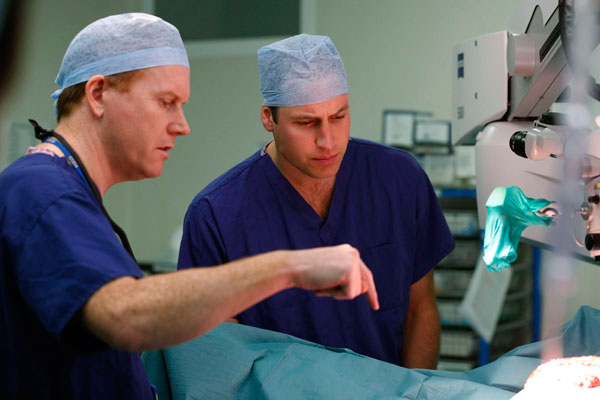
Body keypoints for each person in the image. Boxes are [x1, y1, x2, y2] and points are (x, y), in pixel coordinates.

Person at [0, 15, 379, 399]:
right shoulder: (44, 191)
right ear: (97, 94)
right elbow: (128, 316)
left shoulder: (66, 193)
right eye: (166, 102)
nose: (182, 125)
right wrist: (292, 266)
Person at [178, 33, 455, 368]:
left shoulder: (399, 179)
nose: (327, 140)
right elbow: (218, 355)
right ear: (269, 118)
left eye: (338, 117)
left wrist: (414, 392)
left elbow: (420, 309)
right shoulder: (216, 215)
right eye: (306, 123)